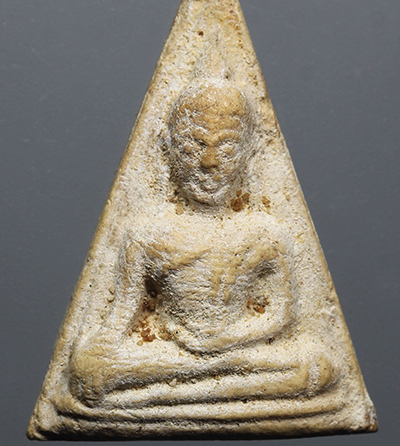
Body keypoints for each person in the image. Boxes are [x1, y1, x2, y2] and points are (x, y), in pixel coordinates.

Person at [69, 82, 335, 407]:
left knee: (319, 365)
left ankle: (163, 395)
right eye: (192, 148)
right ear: (167, 147)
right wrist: (97, 353)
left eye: (226, 149)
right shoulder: (145, 236)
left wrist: (226, 341)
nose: (209, 163)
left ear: (250, 151)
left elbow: (280, 316)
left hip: (239, 352)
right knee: (85, 370)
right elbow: (118, 319)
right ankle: (205, 386)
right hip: (172, 353)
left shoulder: (266, 234)